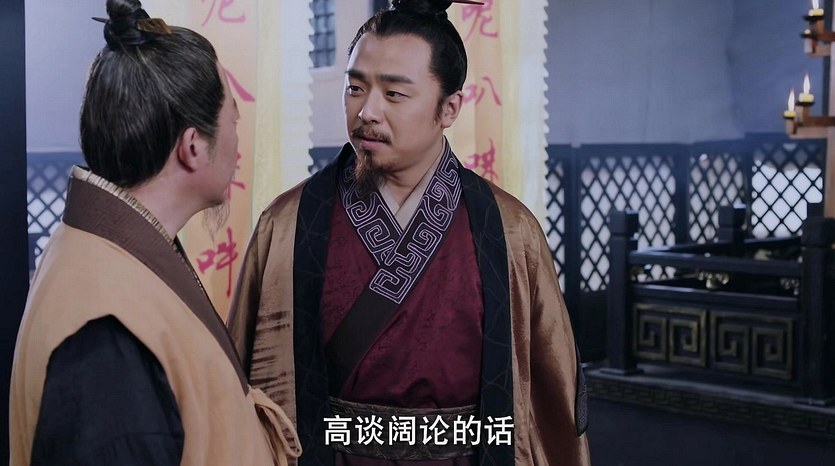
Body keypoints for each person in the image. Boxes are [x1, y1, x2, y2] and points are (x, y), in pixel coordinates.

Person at [228, 0, 589, 464]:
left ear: (449, 107)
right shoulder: (288, 224)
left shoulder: (509, 230)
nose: (367, 111)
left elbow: (551, 392)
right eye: (355, 88)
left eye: (395, 93)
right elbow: (245, 383)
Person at [9, 1, 301, 465]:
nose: (236, 139)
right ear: (193, 147)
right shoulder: (107, 333)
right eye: (233, 121)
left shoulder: (111, 258)